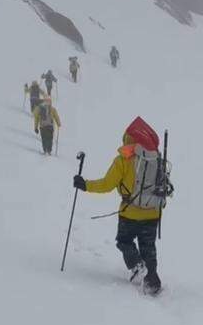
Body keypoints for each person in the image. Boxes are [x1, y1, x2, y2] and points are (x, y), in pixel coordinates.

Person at [72, 119, 169, 294]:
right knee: (149, 248)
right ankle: (153, 283)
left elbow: (107, 185)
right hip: (153, 213)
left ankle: (137, 266)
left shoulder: (122, 160)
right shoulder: (156, 159)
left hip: (129, 214)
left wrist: (85, 185)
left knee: (124, 241)